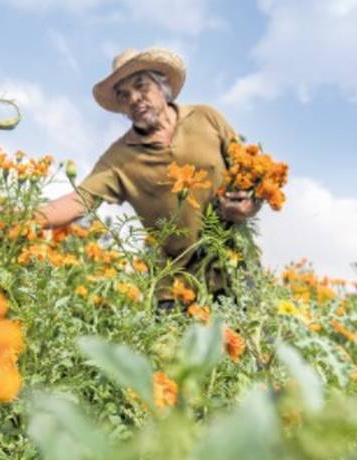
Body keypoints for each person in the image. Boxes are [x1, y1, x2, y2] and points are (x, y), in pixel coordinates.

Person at [36, 47, 261, 305]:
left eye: (141, 86)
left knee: (256, 343)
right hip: (175, 291)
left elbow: (250, 172)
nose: (134, 98)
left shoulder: (206, 117)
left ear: (161, 85)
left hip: (236, 267)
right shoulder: (120, 158)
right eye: (124, 95)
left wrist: (250, 203)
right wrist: (13, 220)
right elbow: (77, 201)